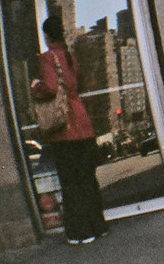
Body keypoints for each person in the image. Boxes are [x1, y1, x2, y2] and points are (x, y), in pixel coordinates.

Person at [31, 16, 108, 245]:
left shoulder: (47, 58)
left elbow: (52, 87)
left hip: (65, 129)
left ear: (46, 36)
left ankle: (80, 232)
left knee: (70, 182)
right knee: (87, 179)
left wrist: (36, 88)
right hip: (83, 124)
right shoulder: (70, 57)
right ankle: (98, 226)